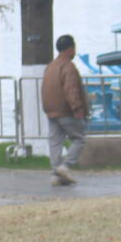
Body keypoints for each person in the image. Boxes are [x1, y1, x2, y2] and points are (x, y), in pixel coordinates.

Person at [41, 34, 89, 186]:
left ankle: (56, 174)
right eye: (74, 48)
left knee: (55, 142)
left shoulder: (51, 66)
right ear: (70, 49)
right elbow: (71, 89)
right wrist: (77, 108)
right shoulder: (68, 67)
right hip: (66, 110)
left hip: (51, 111)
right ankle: (65, 167)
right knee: (79, 139)